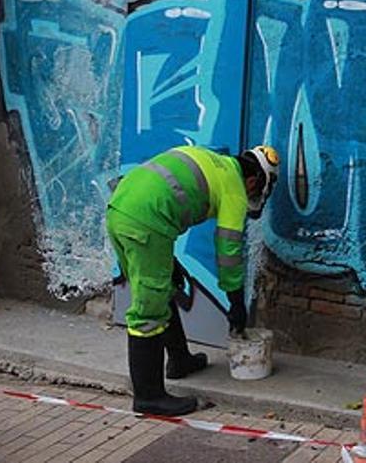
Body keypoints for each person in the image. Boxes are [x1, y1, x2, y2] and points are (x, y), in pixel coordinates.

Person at [106, 144, 280, 416]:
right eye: (255, 192)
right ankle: (148, 397)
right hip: (147, 222)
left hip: (119, 209)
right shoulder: (234, 186)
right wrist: (236, 303)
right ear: (253, 180)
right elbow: (229, 252)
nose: (251, 196)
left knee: (164, 288)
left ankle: (179, 360)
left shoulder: (213, 159)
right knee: (147, 310)